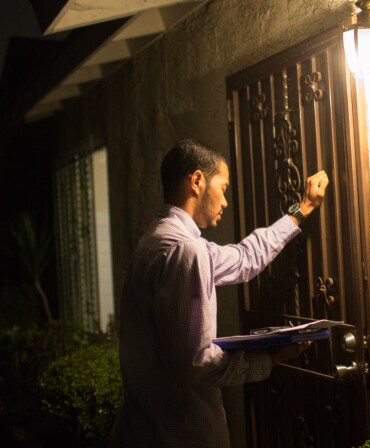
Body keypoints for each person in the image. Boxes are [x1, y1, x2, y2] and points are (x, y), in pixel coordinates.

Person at [110, 139, 329, 447]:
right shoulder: (186, 249)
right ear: (197, 181)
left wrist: (302, 209)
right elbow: (195, 362)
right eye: (223, 187)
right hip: (181, 434)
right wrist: (270, 358)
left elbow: (245, 258)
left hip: (147, 430)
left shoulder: (156, 239)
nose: (225, 201)